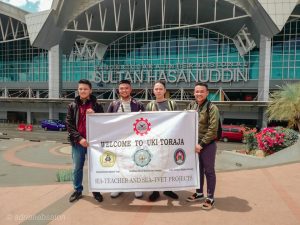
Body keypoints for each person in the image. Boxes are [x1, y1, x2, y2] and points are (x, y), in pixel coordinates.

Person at [66, 79, 104, 203]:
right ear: (78, 90)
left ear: (90, 90)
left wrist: (95, 115)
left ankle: (96, 190)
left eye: (85, 89)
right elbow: (69, 125)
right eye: (80, 89)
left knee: (95, 167)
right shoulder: (72, 105)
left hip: (94, 144)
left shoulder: (97, 105)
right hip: (78, 143)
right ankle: (77, 190)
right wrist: (80, 138)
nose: (82, 91)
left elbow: (104, 122)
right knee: (77, 167)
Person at [107, 79, 145, 199]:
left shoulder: (138, 104)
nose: (124, 90)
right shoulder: (113, 104)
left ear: (130, 89)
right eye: (122, 88)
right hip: (118, 141)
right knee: (119, 164)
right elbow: (106, 121)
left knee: (136, 163)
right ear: (119, 90)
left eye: (126, 88)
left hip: (134, 140)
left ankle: (137, 187)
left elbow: (146, 121)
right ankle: (118, 187)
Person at [186, 82, 220, 210]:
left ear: (207, 93)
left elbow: (213, 129)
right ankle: (199, 193)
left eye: (201, 91)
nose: (199, 94)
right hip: (195, 144)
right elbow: (183, 119)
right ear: (194, 93)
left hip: (207, 145)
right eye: (197, 91)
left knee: (209, 171)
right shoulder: (191, 105)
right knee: (198, 170)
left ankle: (210, 197)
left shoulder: (212, 108)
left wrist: (201, 144)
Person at [146, 80, 179, 202]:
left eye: (161, 89)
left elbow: (178, 120)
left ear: (165, 90)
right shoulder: (150, 105)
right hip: (154, 141)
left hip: (169, 140)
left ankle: (168, 189)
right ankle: (155, 190)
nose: (158, 91)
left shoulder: (172, 104)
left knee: (169, 165)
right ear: (153, 91)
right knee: (155, 165)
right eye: (156, 89)